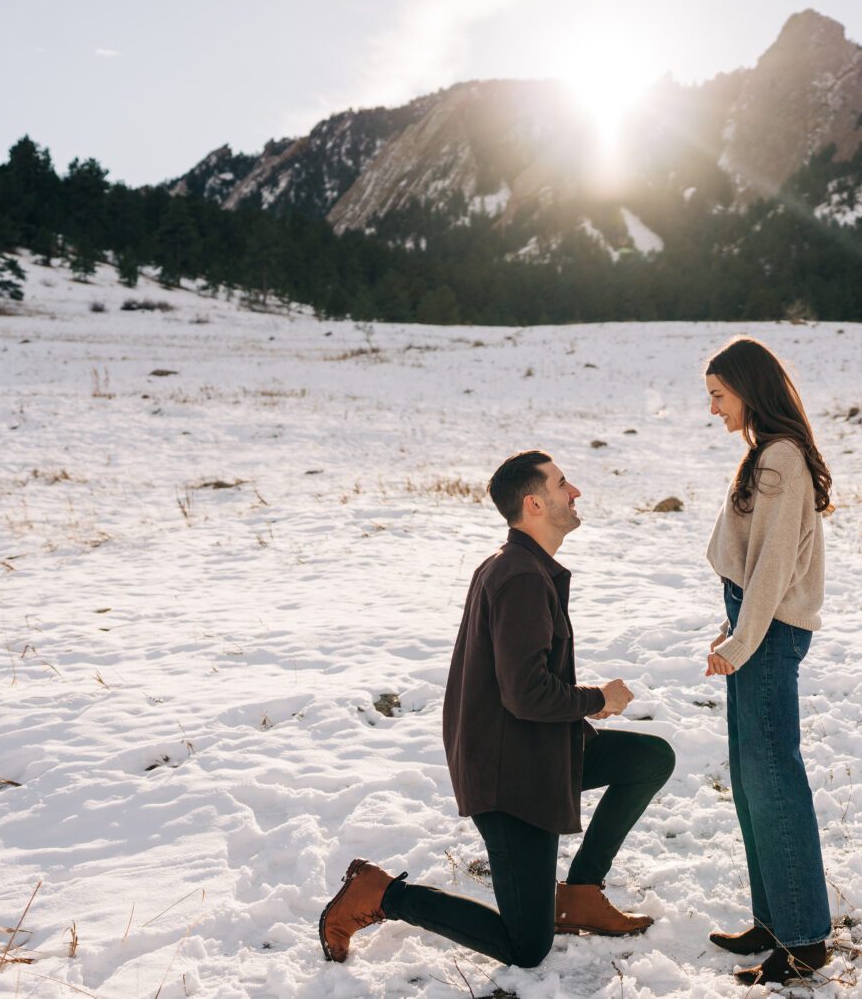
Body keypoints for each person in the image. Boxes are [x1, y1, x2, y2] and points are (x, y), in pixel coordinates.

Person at [318, 450, 675, 969]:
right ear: (534, 503)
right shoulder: (521, 578)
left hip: (538, 755)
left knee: (649, 759)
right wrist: (598, 700)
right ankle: (379, 894)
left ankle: (579, 895)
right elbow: (526, 693)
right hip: (510, 781)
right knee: (525, 947)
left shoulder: (522, 567)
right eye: (562, 484)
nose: (574, 492)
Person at [701, 337, 835, 986]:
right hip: (754, 625)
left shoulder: (780, 458)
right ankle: (774, 919)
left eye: (719, 396)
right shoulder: (766, 452)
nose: (713, 409)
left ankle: (803, 939)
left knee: (773, 778)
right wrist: (732, 625)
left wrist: (738, 639)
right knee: (753, 778)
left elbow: (774, 568)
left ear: (749, 389)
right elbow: (750, 563)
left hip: (769, 633)